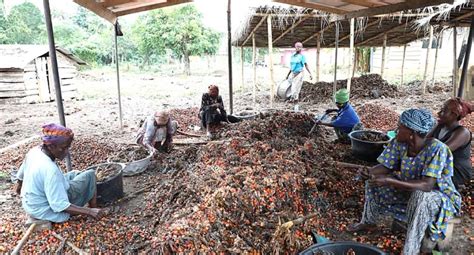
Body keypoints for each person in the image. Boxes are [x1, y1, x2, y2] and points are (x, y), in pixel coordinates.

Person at [347, 109, 461, 254]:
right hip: (409, 190)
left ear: (412, 132)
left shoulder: (437, 149)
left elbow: (427, 185)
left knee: (420, 196)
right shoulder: (399, 143)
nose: (396, 129)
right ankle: (369, 222)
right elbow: (386, 166)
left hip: (437, 198)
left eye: (400, 126)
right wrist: (368, 172)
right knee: (373, 181)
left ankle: (410, 249)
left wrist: (389, 181)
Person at [14, 124, 107, 223]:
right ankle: (95, 209)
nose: (67, 152)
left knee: (75, 173)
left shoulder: (34, 152)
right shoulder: (50, 169)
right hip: (47, 212)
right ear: (51, 146)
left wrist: (26, 194)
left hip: (31, 206)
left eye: (68, 147)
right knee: (90, 175)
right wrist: (89, 212)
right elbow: (59, 205)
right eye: (63, 148)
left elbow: (20, 179)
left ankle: (92, 206)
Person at [428, 98, 472, 190]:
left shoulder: (462, 132)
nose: (439, 113)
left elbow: (440, 151)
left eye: (443, 111)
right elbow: (424, 141)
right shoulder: (440, 126)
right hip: (440, 164)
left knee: (423, 180)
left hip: (456, 170)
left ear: (454, 115)